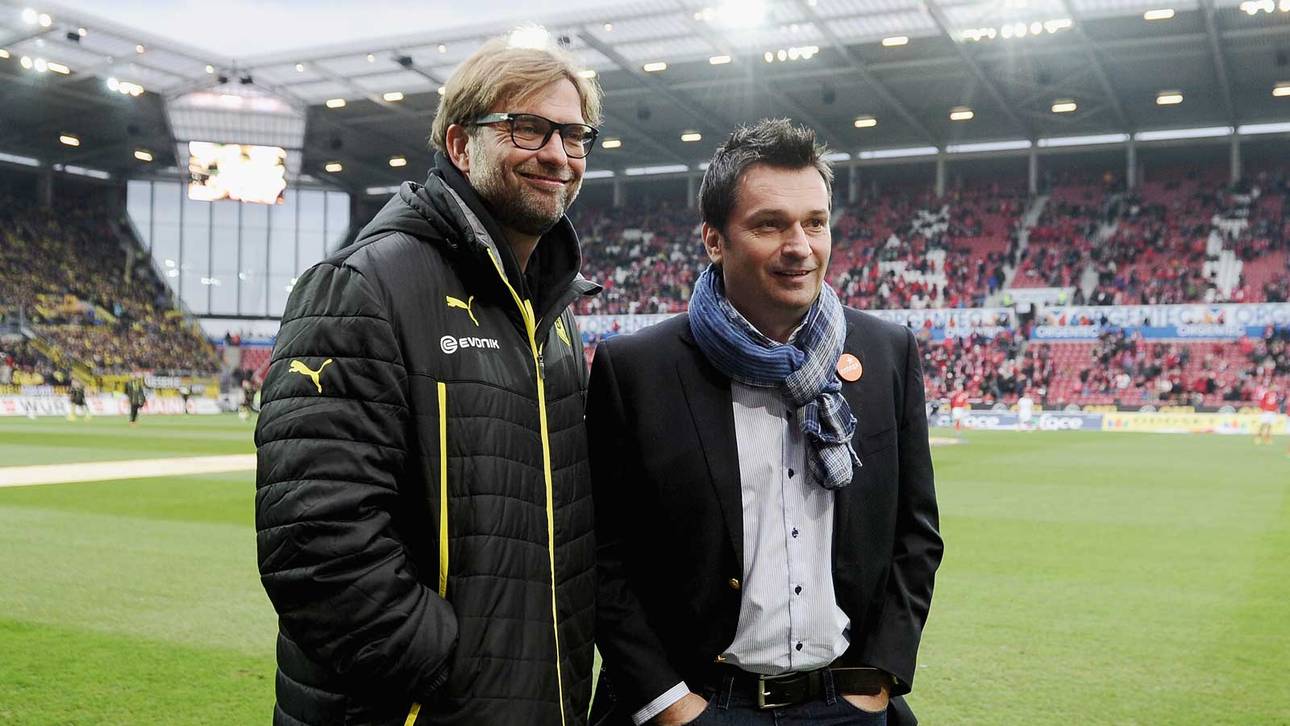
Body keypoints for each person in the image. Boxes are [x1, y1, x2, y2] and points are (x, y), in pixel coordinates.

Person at [254, 32, 602, 726]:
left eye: (574, 134)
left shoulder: (553, 312)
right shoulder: (361, 285)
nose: (557, 154)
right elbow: (316, 541)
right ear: (458, 144)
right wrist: (454, 671)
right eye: (527, 128)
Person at [588, 119, 943, 726]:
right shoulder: (638, 369)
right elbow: (601, 555)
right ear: (714, 239)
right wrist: (671, 706)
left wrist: (879, 678)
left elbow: (917, 533)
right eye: (769, 224)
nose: (800, 246)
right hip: (701, 705)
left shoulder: (886, 354)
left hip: (847, 704)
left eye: (815, 222)